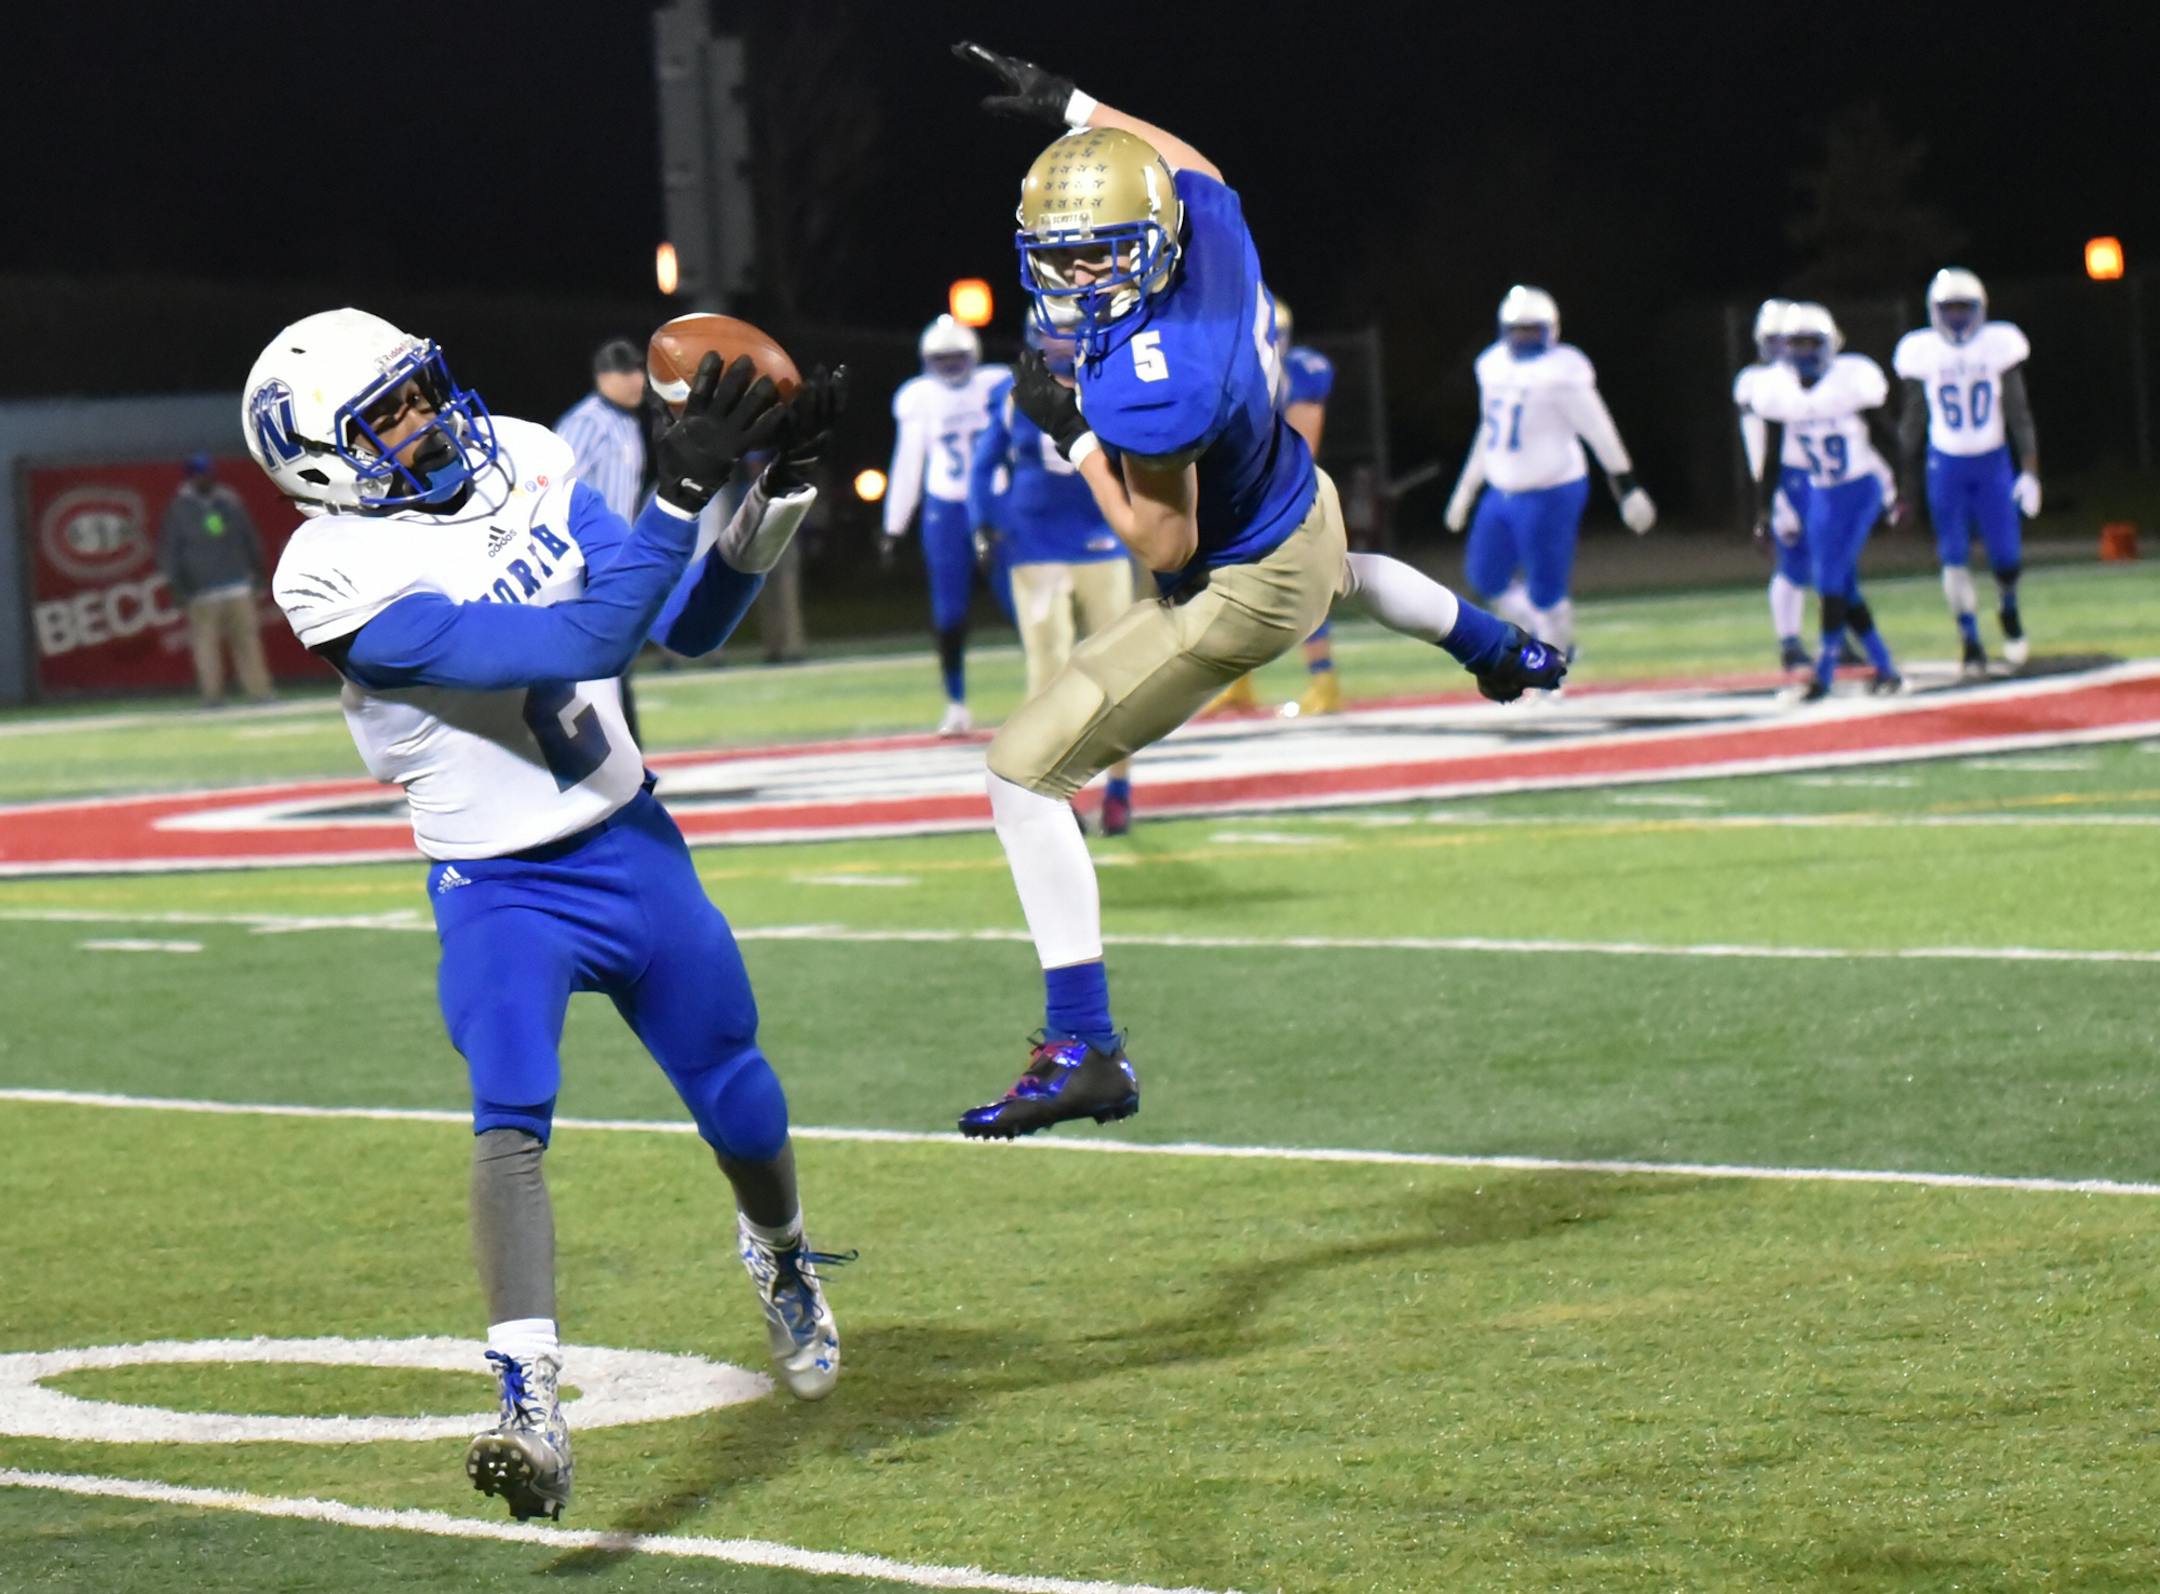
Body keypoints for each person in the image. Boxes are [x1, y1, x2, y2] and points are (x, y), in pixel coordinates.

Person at [243, 306, 851, 1522]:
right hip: (500, 886)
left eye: (421, 389)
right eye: (385, 416)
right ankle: (528, 1402)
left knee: (740, 1090)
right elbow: (584, 630)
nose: (424, 421)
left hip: (630, 843)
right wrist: (677, 498)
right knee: (509, 1109)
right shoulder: (330, 575)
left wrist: (774, 489)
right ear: (320, 458)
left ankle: (779, 1253)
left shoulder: (524, 450)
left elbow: (677, 628)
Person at [949, 42, 1566, 1138]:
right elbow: (1192, 160)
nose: (1074, 279)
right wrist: (1076, 106)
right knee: (1350, 576)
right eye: (1061, 257)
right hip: (1298, 501)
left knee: (1020, 775)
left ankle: (1084, 1043)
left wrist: (1080, 436)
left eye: (1096, 259)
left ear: (1142, 250)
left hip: (1240, 573)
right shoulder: (1209, 245)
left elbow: (1165, 539)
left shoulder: (1153, 379)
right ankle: (1495, 647)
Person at [968, 321, 1137, 834]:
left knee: (1121, 675)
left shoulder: (1111, 380)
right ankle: (1053, 792)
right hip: (1035, 547)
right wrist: (984, 522)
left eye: (1069, 333)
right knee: (1047, 677)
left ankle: (1120, 790)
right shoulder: (1010, 391)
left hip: (1100, 541)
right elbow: (983, 465)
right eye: (1051, 334)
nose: (1062, 344)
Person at [1442, 286, 1656, 663]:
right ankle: (1555, 643)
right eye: (1516, 330)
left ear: (1550, 330)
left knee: (1546, 589)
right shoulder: (1492, 365)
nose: (1523, 338)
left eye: (1531, 330)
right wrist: (1466, 488)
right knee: (1485, 576)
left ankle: (1551, 668)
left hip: (1552, 489)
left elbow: (1599, 431)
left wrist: (1627, 485)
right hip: (1501, 490)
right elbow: (1488, 432)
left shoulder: (1563, 372)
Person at [1748, 302, 1906, 701]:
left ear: (1829, 345)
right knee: (1842, 586)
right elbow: (1770, 458)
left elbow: (1889, 440)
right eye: (1795, 343)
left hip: (1858, 490)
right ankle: (1886, 668)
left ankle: (1825, 674)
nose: (1802, 352)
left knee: (1831, 580)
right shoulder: (1777, 391)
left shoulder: (1850, 382)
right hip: (1821, 493)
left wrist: (1903, 491)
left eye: (1810, 343)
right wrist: (1765, 509)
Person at [1892, 268, 2041, 676]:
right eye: (1949, 308)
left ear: (1980, 310)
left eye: (1964, 308)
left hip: (1993, 462)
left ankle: (2008, 610)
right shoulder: (1923, 352)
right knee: (1953, 557)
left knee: (2007, 559)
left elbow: (2018, 413)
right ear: (1934, 311)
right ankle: (1970, 639)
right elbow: (1912, 423)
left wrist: (2029, 471)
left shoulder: (1999, 346)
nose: (1957, 317)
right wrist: (1904, 487)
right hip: (1946, 466)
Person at [1204, 293, 1345, 717]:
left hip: (1283, 494)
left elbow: (1303, 445)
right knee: (1229, 593)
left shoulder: (1301, 372)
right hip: (1238, 495)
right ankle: (1240, 683)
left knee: (1298, 589)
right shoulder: (1229, 373)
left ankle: (1325, 681)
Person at [881, 314, 1014, 735]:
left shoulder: (998, 385)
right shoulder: (920, 397)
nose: (951, 367)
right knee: (949, 611)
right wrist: (894, 524)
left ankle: (1056, 691)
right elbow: (908, 463)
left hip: (995, 501)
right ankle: (956, 703)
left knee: (1025, 602)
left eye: (957, 357)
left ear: (973, 355)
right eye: (942, 359)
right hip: (946, 507)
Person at [555, 339, 652, 737]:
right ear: (603, 377)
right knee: (601, 662)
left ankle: (624, 755)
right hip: (584, 561)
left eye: (638, 371)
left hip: (615, 559)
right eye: (626, 372)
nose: (637, 380)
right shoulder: (587, 421)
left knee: (615, 661)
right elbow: (554, 487)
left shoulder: (627, 422)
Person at [1734, 299, 1817, 673]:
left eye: (1786, 340)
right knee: (1793, 563)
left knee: (1829, 560)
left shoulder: (1797, 379)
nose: (1781, 349)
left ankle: (1835, 635)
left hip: (1812, 478)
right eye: (1773, 340)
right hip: (1780, 480)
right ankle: (1790, 642)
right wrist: (1766, 500)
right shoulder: (1757, 381)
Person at [157, 453, 274, 707]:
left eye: (207, 472)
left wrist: (258, 572)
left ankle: (259, 692)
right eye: (200, 474)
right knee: (205, 646)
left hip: (237, 584)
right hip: (201, 590)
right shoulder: (179, 508)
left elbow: (249, 537)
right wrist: (177, 588)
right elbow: (171, 551)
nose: (205, 477)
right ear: (190, 477)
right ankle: (213, 696)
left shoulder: (228, 501)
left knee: (248, 642)